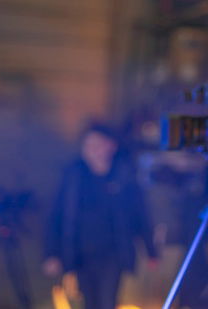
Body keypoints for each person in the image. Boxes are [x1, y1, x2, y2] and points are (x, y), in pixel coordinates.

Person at [43, 123, 158, 309]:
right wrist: (52, 253)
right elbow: (57, 216)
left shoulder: (124, 176)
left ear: (111, 146)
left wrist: (151, 250)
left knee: (107, 300)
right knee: (88, 301)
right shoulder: (73, 176)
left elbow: (139, 213)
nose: (92, 151)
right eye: (88, 146)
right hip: (80, 252)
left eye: (97, 145)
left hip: (112, 253)